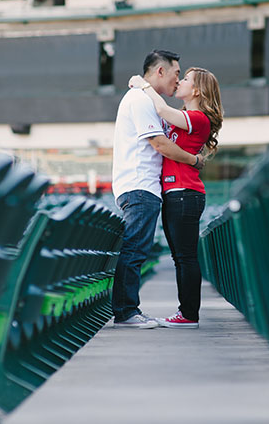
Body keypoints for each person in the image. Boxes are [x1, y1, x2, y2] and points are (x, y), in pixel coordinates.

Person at [111, 49, 205, 329]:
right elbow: (160, 144)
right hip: (140, 185)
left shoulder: (149, 99)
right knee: (135, 250)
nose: (178, 80)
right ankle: (127, 312)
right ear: (160, 71)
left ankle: (128, 310)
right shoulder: (140, 99)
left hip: (146, 187)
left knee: (138, 249)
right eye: (177, 73)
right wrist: (194, 160)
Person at [128, 66, 223, 329]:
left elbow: (160, 110)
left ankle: (189, 314)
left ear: (197, 90)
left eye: (186, 79)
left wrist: (144, 85)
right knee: (180, 257)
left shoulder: (198, 117)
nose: (179, 81)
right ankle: (186, 313)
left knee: (185, 257)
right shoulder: (185, 116)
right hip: (176, 193)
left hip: (185, 193)